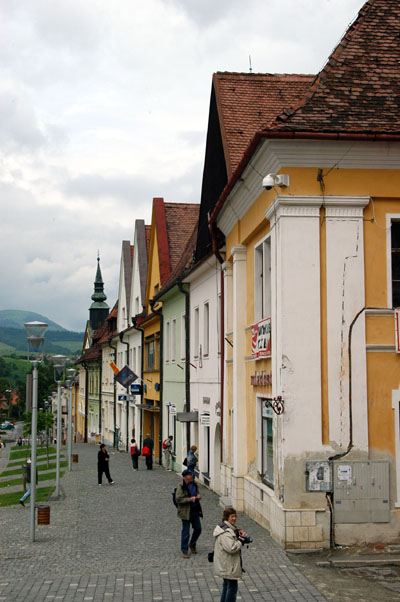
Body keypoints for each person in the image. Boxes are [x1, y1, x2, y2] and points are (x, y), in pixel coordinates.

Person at [213, 507, 249, 602]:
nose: (234, 518)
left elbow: (232, 531)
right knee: (232, 588)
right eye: (232, 516)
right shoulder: (225, 533)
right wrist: (241, 541)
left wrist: (238, 531)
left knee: (226, 585)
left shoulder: (224, 527)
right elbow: (232, 548)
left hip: (226, 564)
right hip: (229, 566)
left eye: (235, 516)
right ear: (227, 517)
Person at [176, 469, 203, 558]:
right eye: (190, 475)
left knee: (198, 529)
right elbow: (178, 499)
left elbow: (197, 492)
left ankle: (192, 544)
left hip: (195, 510)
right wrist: (190, 499)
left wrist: (198, 496)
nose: (192, 476)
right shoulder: (181, 486)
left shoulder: (194, 484)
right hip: (185, 511)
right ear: (185, 477)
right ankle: (184, 550)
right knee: (186, 532)